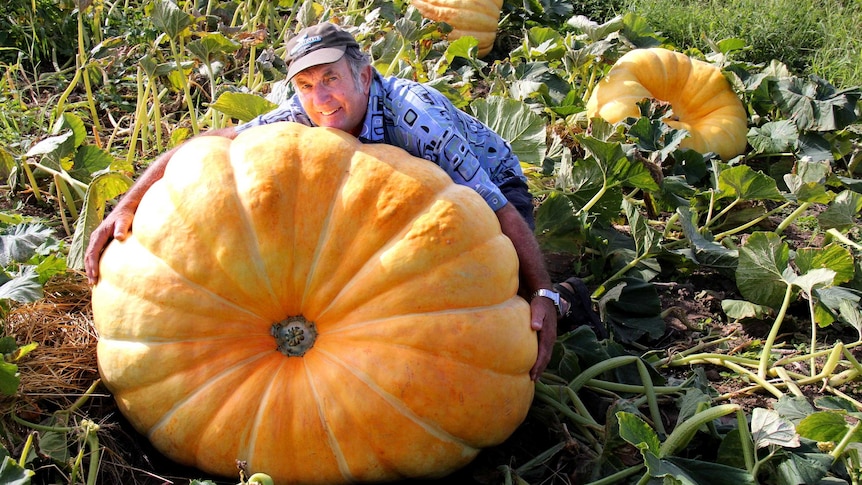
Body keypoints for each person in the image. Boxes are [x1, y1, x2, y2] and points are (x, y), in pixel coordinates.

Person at [85, 22, 589, 380]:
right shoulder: (304, 113)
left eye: (330, 79)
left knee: (513, 319)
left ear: (364, 75)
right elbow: (210, 143)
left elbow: (494, 203)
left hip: (488, 187)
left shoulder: (416, 118)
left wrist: (541, 290)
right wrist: (127, 203)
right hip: (396, 199)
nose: (320, 98)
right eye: (306, 85)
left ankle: (571, 296)